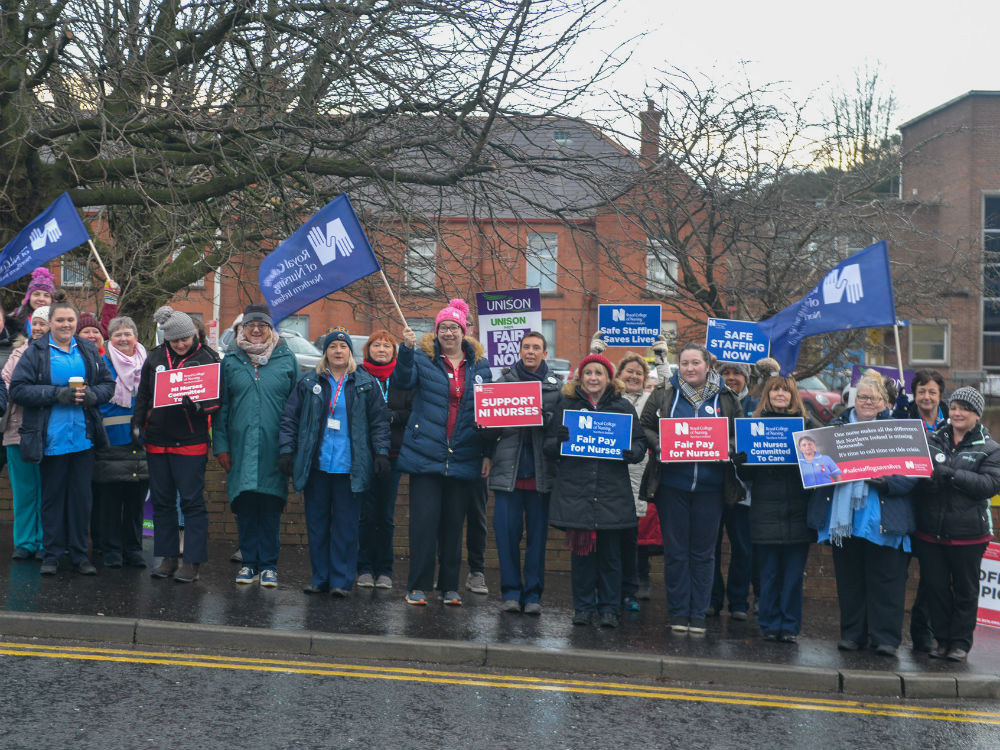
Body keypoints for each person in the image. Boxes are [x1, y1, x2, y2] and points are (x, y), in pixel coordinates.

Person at [807, 372, 916, 657]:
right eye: (862, 396)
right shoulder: (834, 428)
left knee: (887, 582)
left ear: (883, 401)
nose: (867, 402)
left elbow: (913, 473)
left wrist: (888, 483)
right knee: (850, 582)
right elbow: (816, 470)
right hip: (844, 521)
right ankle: (853, 634)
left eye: (873, 397)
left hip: (882, 518)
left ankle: (886, 639)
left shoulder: (898, 430)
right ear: (854, 399)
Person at [639, 342, 743, 634]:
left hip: (711, 488)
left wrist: (728, 447)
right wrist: (660, 444)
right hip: (672, 486)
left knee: (704, 552)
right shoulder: (664, 393)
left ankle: (698, 614)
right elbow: (644, 425)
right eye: (684, 363)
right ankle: (678, 614)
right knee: (676, 552)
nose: (689, 368)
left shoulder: (726, 397)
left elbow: (739, 433)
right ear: (678, 366)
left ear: (707, 365)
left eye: (695, 363)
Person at [395, 299, 492, 606]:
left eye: (454, 327)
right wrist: (406, 353)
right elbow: (402, 382)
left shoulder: (480, 366)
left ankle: (449, 586)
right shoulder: (423, 359)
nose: (449, 333)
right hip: (426, 454)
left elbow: (488, 413)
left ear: (464, 332)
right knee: (423, 525)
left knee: (453, 526)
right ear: (436, 332)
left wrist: (488, 452)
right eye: (443, 328)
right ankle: (417, 587)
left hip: (464, 455)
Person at [278, 329, 391, 596]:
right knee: (316, 525)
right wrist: (286, 450)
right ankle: (320, 577)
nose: (338, 351)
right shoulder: (309, 381)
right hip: (316, 466)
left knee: (346, 527)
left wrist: (382, 453)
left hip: (349, 468)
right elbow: (289, 418)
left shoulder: (365, 383)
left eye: (343, 346)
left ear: (350, 352)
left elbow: (379, 422)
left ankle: (341, 580)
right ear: (325, 352)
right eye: (333, 347)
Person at [9, 300, 115, 576]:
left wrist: (92, 396)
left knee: (82, 499)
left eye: (70, 320)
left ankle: (81, 555)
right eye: (60, 320)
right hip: (51, 439)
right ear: (50, 323)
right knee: (52, 499)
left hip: (83, 438)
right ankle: (52, 555)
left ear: (76, 322)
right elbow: (18, 390)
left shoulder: (89, 350)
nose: (65, 325)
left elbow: (108, 385)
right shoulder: (36, 352)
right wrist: (56, 394)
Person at [545, 352, 646, 628]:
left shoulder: (623, 407)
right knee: (582, 557)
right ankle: (583, 607)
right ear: (581, 377)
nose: (593, 378)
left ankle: (610, 609)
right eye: (588, 373)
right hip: (577, 490)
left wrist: (631, 452)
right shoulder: (566, 404)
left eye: (598, 373)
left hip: (611, 492)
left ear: (608, 379)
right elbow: (549, 447)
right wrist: (559, 440)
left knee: (611, 557)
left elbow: (640, 445)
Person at [132, 305, 221, 583]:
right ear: (166, 339)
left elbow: (216, 402)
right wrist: (137, 423)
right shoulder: (156, 357)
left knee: (192, 502)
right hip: (157, 440)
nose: (181, 344)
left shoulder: (208, 358)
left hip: (190, 442)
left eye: (185, 338)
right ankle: (168, 558)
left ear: (193, 336)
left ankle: (192, 562)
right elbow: (144, 395)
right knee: (162, 502)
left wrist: (199, 408)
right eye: (175, 340)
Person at [912, 387, 1000, 662]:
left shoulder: (990, 447)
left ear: (976, 414)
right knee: (936, 588)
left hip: (969, 535)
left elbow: (989, 485)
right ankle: (942, 640)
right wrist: (925, 480)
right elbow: (917, 471)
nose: (957, 413)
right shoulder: (932, 439)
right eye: (954, 408)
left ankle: (960, 643)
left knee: (965, 590)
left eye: (964, 409)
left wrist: (951, 476)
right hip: (931, 531)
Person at [214, 304, 298, 588]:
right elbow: (222, 407)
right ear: (242, 329)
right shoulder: (231, 361)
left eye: (262, 325)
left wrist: (291, 447)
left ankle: (269, 565)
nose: (257, 330)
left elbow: (296, 408)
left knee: (271, 506)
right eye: (251, 325)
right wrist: (221, 446)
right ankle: (249, 563)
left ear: (271, 329)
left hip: (275, 447)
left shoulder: (286, 359)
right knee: (246, 505)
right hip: (240, 447)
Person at [487, 331, 562, 614]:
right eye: (526, 347)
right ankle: (510, 592)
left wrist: (547, 419)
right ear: (519, 351)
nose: (530, 351)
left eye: (536, 347)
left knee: (537, 540)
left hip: (541, 474)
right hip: (509, 472)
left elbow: (560, 428)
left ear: (545, 353)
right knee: (506, 537)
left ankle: (532, 595)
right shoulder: (503, 383)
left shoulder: (556, 386)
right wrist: (487, 424)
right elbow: (490, 426)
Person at [740, 375, 816, 642]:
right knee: (768, 574)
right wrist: (741, 461)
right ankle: (770, 624)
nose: (780, 394)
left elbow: (823, 461)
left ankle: (790, 625)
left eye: (785, 390)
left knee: (793, 576)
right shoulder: (752, 426)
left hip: (798, 511)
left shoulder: (808, 427)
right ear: (767, 395)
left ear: (793, 395)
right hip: (765, 512)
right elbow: (746, 476)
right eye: (775, 390)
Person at [891, 368, 948, 652]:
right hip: (903, 502)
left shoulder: (951, 422)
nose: (926, 396)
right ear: (915, 394)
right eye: (921, 391)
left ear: (940, 395)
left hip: (936, 508)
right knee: (897, 571)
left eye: (932, 392)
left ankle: (922, 630)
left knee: (932, 575)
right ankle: (888, 629)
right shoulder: (900, 419)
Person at [356, 330, 413, 590]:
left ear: (394, 351)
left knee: (386, 516)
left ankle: (385, 570)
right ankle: (364, 568)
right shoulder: (357, 375)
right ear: (368, 349)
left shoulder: (402, 378)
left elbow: (412, 411)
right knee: (366, 515)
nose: (381, 349)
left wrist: (394, 417)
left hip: (393, 454)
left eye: (386, 346)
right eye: (376, 345)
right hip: (364, 454)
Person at [94, 315, 149, 568]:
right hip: (110, 443)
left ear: (136, 338)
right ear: (110, 339)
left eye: (128, 334)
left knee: (135, 503)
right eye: (118, 334)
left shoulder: (147, 366)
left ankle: (133, 549)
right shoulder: (101, 365)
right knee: (110, 502)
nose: (123, 338)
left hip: (140, 445)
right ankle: (112, 550)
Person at [709, 362, 756, 620]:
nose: (730, 378)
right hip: (713, 487)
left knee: (743, 548)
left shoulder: (756, 406)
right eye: (725, 373)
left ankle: (738, 602)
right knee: (710, 547)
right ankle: (713, 599)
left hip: (743, 491)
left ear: (746, 377)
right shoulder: (709, 404)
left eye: (736, 373)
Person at [2, 306, 49, 560]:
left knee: (45, 489)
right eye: (35, 323)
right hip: (17, 431)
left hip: (47, 432)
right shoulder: (18, 353)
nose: (39, 328)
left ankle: (43, 540)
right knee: (23, 490)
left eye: (44, 323)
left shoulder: (58, 353)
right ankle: (25, 542)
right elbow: (7, 384)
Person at [11, 267, 56, 338]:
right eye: (36, 294)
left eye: (46, 295)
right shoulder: (15, 318)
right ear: (29, 297)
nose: (41, 299)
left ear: (52, 299)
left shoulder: (59, 320)